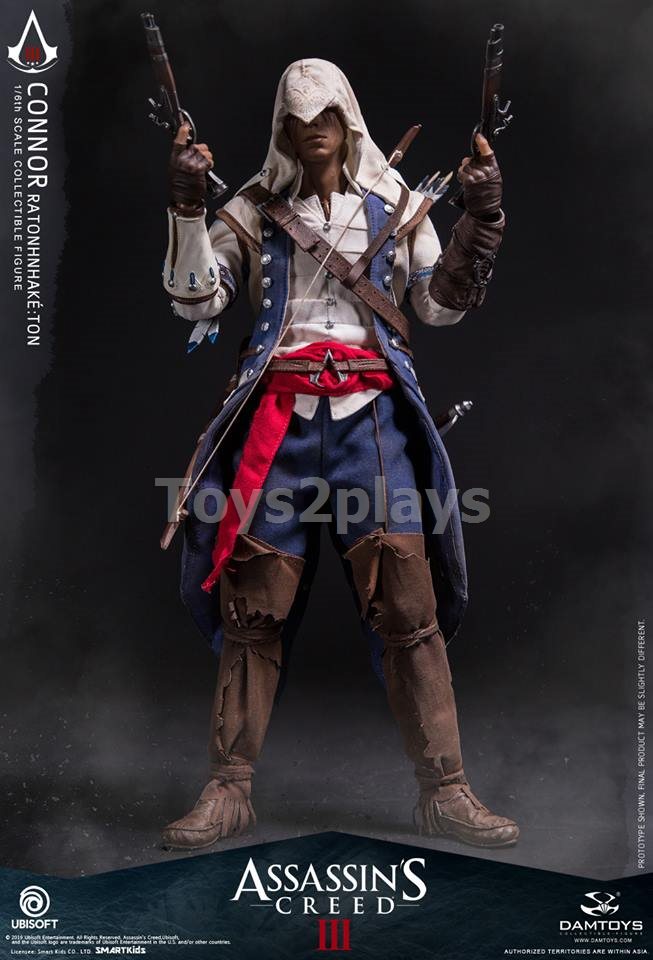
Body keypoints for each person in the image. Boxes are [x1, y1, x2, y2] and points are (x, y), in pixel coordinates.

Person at [158, 58, 518, 851]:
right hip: (277, 426)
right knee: (253, 608)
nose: (311, 128)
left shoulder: (396, 203)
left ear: (345, 117)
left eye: (324, 114)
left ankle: (445, 791)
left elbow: (438, 306)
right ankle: (228, 790)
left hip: (370, 422)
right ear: (282, 126)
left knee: (408, 607)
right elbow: (196, 299)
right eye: (297, 118)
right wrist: (186, 207)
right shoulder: (251, 208)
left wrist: (481, 218)